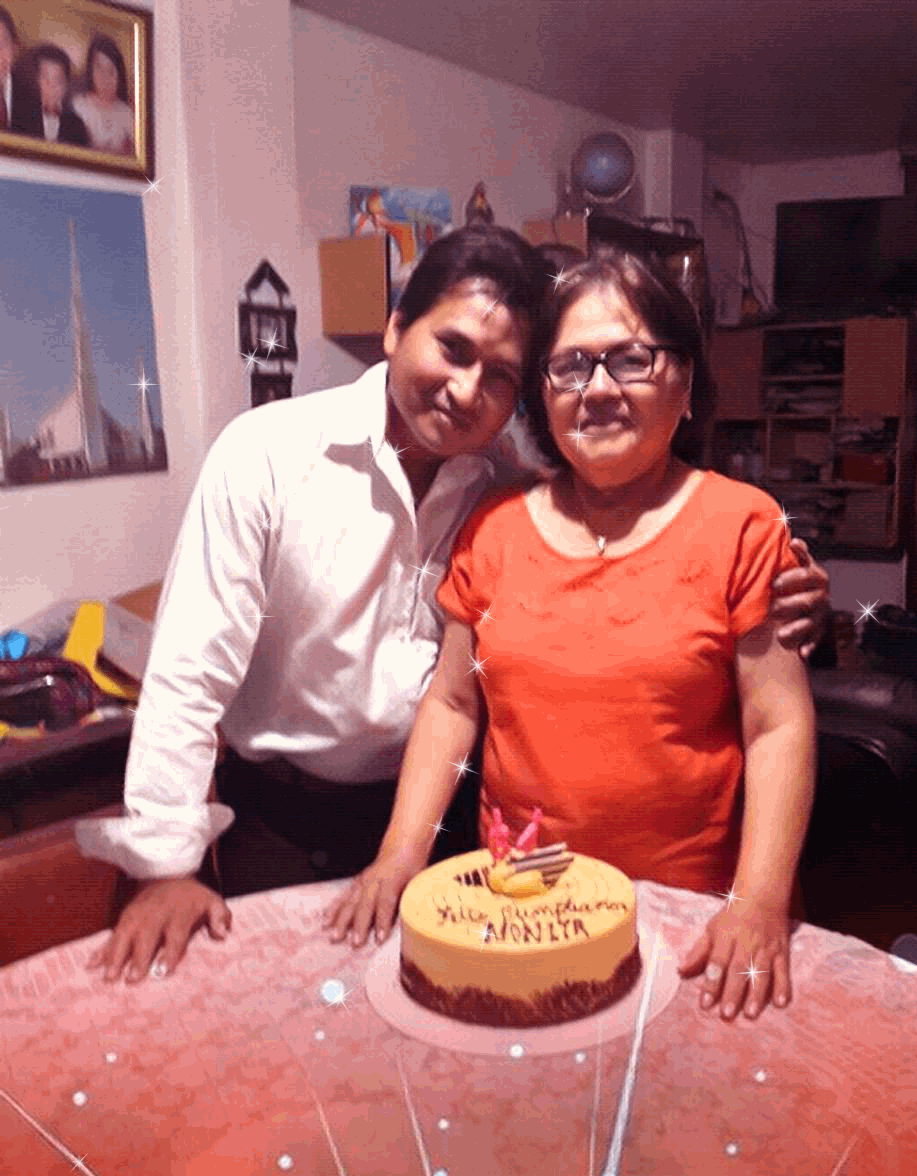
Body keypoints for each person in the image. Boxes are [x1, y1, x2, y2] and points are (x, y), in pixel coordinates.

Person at [80, 227, 828, 985]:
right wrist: (165, 867)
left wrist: (793, 601)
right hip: (290, 822)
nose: (467, 391)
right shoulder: (271, 456)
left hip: (461, 838)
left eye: (501, 375)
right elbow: (188, 672)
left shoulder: (499, 485)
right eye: (453, 348)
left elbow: (690, 624)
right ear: (396, 329)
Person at [335, 249, 818, 1023]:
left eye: (629, 359)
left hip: (693, 922)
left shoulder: (743, 526)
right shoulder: (491, 529)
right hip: (526, 911)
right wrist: (399, 855)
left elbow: (777, 724)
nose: (597, 389)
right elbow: (452, 706)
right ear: (543, 397)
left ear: (684, 383)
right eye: (569, 367)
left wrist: (757, 900)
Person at [72, 33, 135, 155]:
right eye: (99, 69)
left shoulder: (126, 113)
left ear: (119, 76)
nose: (105, 77)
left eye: (111, 71)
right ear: (90, 71)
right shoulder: (78, 106)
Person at [13, 42, 88, 144]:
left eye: (58, 80)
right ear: (35, 80)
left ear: (66, 85)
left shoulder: (76, 125)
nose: (52, 87)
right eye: (45, 79)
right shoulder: (21, 117)